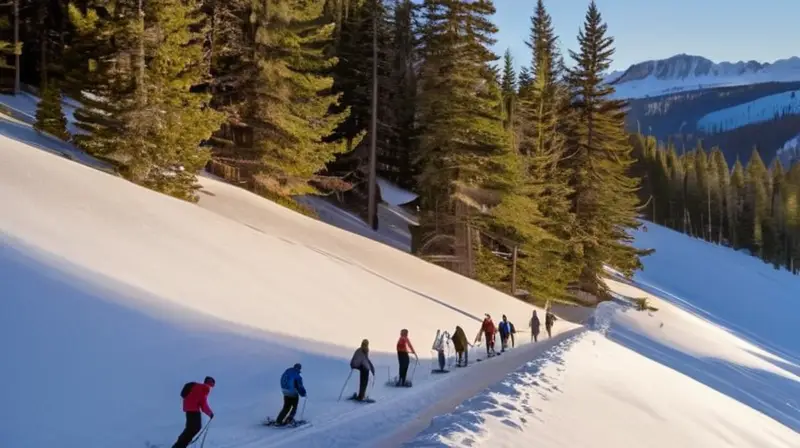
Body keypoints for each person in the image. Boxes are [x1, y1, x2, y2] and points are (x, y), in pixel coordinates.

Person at [173, 376, 214, 448]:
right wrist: (210, 413)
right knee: (195, 428)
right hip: (194, 409)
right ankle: (180, 445)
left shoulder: (196, 386)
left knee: (190, 429)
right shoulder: (205, 388)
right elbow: (203, 405)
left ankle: (180, 444)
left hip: (188, 409)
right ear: (210, 384)